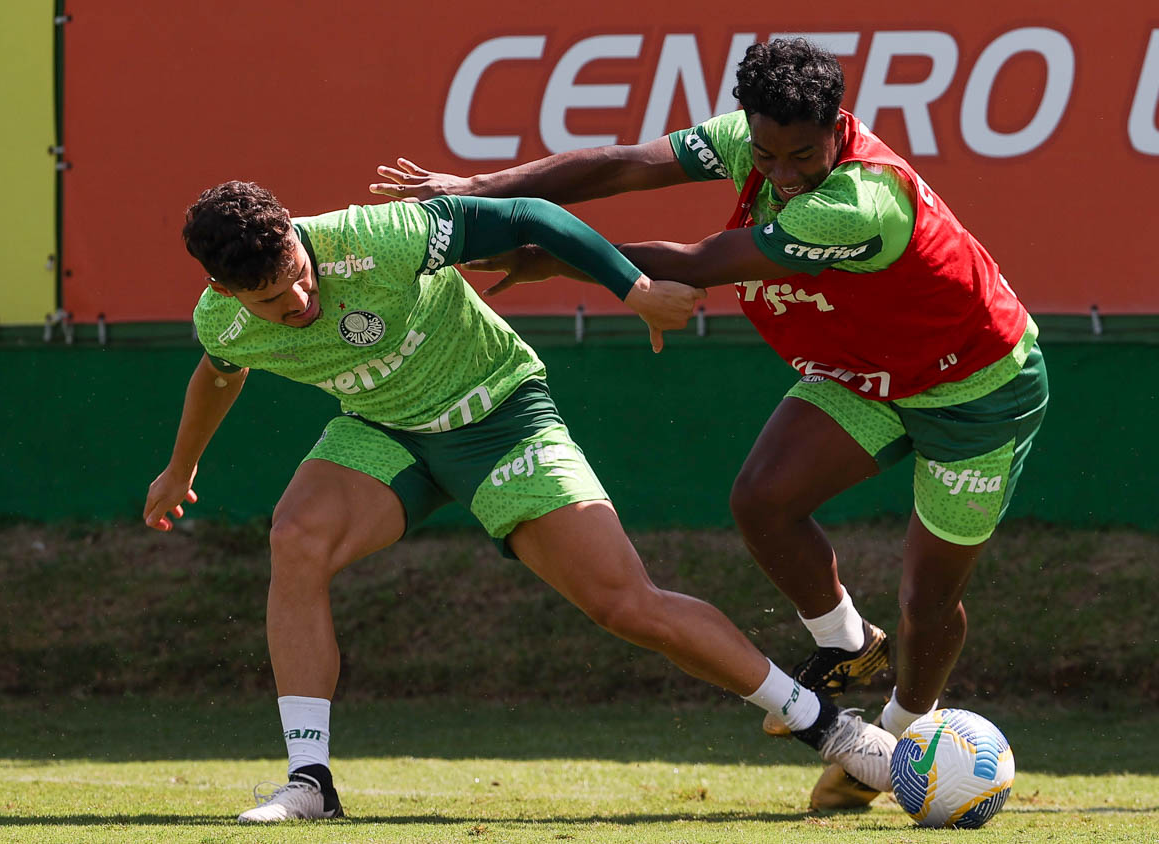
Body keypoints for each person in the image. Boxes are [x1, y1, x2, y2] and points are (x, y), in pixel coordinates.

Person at [370, 37, 1049, 809]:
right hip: (867, 375)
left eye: (802, 156)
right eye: (767, 155)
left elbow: (700, 260)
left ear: (838, 127)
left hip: (976, 388)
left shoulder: (860, 204)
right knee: (762, 499)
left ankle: (904, 736)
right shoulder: (754, 142)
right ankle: (849, 647)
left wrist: (553, 254)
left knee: (927, 599)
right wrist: (480, 188)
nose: (783, 175)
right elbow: (623, 165)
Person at [143, 180, 899, 823]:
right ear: (225, 291)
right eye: (274, 300)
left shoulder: (379, 235)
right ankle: (310, 784)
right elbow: (218, 374)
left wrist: (632, 289)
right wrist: (181, 469)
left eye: (300, 274)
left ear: (300, 242)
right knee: (295, 539)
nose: (301, 299)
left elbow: (532, 215)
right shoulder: (225, 321)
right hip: (384, 432)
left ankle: (830, 728)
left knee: (627, 606)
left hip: (499, 415)